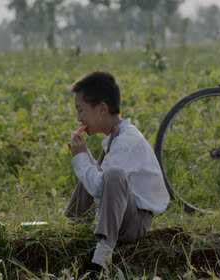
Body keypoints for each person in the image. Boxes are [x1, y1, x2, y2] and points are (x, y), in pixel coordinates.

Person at [65, 71, 170, 275]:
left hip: (135, 222)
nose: (78, 118)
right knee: (93, 166)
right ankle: (75, 224)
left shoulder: (126, 142)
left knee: (108, 174)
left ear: (102, 109)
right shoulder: (116, 135)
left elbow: (99, 187)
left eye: (81, 110)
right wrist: (84, 156)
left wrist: (79, 158)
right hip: (125, 214)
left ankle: (101, 257)